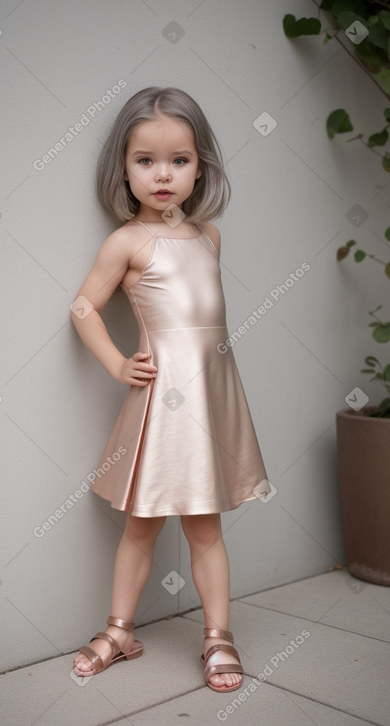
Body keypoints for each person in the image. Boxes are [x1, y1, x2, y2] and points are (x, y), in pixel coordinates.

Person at [71, 87, 271, 693]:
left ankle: (217, 635)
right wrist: (115, 364)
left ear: (200, 166)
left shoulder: (208, 237)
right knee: (142, 523)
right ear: (123, 168)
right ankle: (120, 628)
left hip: (211, 395)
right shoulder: (128, 241)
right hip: (163, 402)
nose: (163, 175)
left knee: (205, 526)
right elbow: (84, 307)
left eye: (179, 161)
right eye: (146, 161)